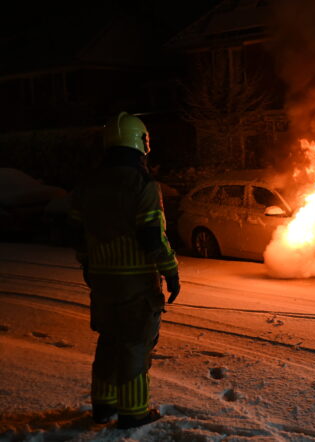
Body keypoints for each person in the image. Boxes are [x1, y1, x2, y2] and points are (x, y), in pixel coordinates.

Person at [68, 112, 181, 428]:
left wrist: (89, 265)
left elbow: (76, 233)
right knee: (134, 343)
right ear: (142, 143)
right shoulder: (142, 184)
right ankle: (134, 412)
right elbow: (152, 236)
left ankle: (103, 406)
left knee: (109, 340)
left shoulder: (87, 185)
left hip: (102, 281)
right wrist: (171, 271)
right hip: (136, 282)